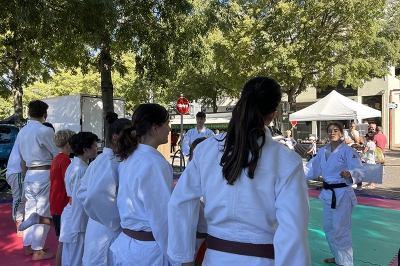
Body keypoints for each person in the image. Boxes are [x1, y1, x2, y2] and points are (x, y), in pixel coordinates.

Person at [168, 77, 311, 266]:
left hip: (214, 259)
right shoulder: (285, 160)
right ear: (272, 115)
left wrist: (183, 258)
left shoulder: (206, 150)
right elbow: (293, 230)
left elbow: (180, 202)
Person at [110, 103, 178, 265]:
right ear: (154, 128)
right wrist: (177, 257)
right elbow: (161, 217)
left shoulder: (129, 157)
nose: (169, 130)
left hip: (127, 246)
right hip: (148, 252)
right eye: (167, 124)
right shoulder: (154, 162)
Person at [304, 122, 366, 266]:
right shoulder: (322, 152)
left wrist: (349, 173)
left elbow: (361, 170)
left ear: (341, 134)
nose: (332, 133)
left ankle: (345, 262)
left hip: (343, 193)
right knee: (328, 227)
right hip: (328, 194)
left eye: (336, 130)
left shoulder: (348, 151)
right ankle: (338, 256)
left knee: (341, 229)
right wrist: (293, 172)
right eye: (330, 130)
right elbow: (310, 169)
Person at [76, 112, 131, 266]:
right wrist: (115, 220)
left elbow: (82, 192)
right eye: (131, 135)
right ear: (115, 138)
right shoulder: (111, 162)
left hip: (99, 224)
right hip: (108, 228)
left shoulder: (101, 160)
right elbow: (96, 196)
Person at [17, 100, 59, 261]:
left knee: (30, 211)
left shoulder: (22, 131)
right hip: (43, 173)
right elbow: (57, 154)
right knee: (42, 212)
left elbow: (22, 158)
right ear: (45, 114)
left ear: (29, 113)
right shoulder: (44, 131)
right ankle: (38, 250)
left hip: (29, 174)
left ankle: (29, 245)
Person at [59, 132, 99, 266]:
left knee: (71, 257)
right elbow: (78, 201)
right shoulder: (79, 170)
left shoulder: (77, 166)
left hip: (72, 214)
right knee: (75, 259)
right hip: (75, 217)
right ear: (85, 149)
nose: (97, 148)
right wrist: (82, 230)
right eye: (94, 146)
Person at [5, 140, 27, 237]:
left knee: (23, 198)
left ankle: (23, 223)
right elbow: (24, 159)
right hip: (17, 172)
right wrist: (25, 174)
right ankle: (19, 226)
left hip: (17, 171)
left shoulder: (25, 135)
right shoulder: (26, 138)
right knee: (20, 198)